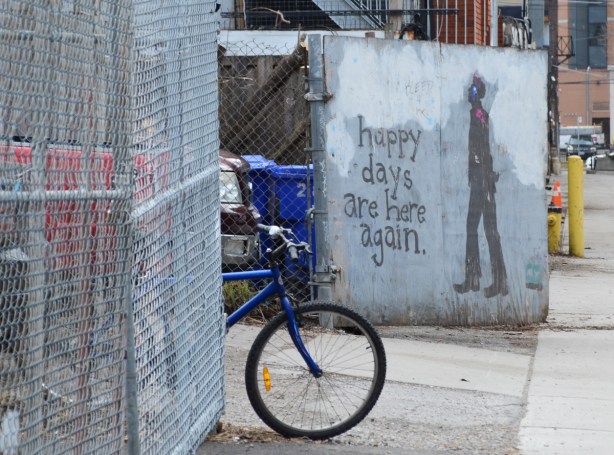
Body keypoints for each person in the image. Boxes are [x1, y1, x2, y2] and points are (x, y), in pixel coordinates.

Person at [454, 74, 508, 298]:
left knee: (488, 231)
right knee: (478, 229)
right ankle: (475, 278)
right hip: (481, 180)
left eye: (471, 89)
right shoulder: (477, 114)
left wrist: (478, 170)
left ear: (477, 93)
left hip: (482, 182)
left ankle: (495, 281)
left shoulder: (478, 115)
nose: (468, 92)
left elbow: (480, 149)